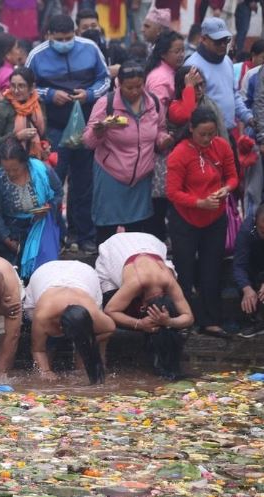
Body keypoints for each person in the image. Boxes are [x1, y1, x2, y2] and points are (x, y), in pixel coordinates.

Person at [27, 14, 110, 254]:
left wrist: (90, 94)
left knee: (84, 183)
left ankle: (84, 235)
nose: (65, 42)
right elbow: (26, 86)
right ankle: (58, 236)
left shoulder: (90, 48)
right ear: (49, 36)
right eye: (60, 39)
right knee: (53, 183)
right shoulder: (37, 55)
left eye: (69, 37)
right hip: (54, 127)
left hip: (87, 125)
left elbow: (104, 80)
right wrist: (51, 95)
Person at [82, 61, 172, 245]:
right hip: (111, 175)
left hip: (141, 179)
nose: (134, 91)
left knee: (137, 233)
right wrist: (101, 129)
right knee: (106, 230)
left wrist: (163, 139)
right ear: (119, 84)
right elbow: (88, 142)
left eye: (139, 86)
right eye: (129, 87)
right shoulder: (106, 104)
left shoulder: (153, 103)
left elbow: (160, 129)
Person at [167, 107, 237, 338]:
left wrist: (226, 189)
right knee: (185, 271)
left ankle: (211, 320)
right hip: (185, 219)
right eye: (202, 134)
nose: (207, 139)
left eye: (211, 134)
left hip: (215, 217)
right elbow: (173, 192)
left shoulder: (222, 146)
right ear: (191, 130)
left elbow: (233, 175)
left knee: (212, 269)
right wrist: (199, 203)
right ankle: (185, 320)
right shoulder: (179, 153)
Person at [96, 232, 193, 378]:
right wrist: (139, 323)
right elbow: (110, 310)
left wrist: (169, 321)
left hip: (151, 246)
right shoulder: (136, 282)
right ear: (142, 306)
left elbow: (189, 317)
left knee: (168, 325)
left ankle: (164, 358)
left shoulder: (168, 280)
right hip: (118, 247)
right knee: (109, 299)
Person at [24, 260, 116, 384]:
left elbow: (110, 329)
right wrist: (45, 371)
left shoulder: (92, 313)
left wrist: (87, 343)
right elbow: (38, 350)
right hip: (46, 274)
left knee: (83, 360)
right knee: (43, 370)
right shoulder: (42, 315)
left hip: (83, 275)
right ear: (60, 325)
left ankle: (84, 358)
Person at [0, 139, 63, 277]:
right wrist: (7, 240)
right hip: (13, 232)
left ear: (25, 163)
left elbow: (58, 193)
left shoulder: (42, 170)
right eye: (6, 170)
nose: (10, 173)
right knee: (13, 277)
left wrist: (49, 207)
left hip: (40, 227)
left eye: (15, 169)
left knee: (43, 273)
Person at [145, 31, 187, 242]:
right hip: (163, 143)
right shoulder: (161, 78)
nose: (181, 55)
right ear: (163, 54)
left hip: (168, 141)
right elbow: (158, 115)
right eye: (176, 51)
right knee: (161, 197)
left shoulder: (171, 72)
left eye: (183, 50)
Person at [186, 18, 254, 138]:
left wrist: (248, 117)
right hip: (207, 137)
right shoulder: (192, 66)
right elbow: (190, 106)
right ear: (203, 39)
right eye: (218, 41)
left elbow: (233, 94)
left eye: (226, 40)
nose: (223, 45)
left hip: (228, 132)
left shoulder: (227, 61)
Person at [0, 67, 46, 158]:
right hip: (10, 166)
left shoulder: (38, 105)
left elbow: (43, 135)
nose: (16, 90)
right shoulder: (2, 109)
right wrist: (16, 137)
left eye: (21, 86)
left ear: (32, 88)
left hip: (36, 161)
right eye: (13, 86)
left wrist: (45, 146)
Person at [169, 66, 226, 139]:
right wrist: (189, 86)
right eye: (195, 86)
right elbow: (187, 115)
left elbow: (221, 131)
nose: (200, 89)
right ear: (182, 87)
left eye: (201, 84)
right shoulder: (174, 106)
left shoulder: (209, 103)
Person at [234, 204, 264, 338]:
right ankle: (255, 320)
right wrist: (246, 288)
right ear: (255, 223)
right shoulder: (247, 230)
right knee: (244, 282)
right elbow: (239, 265)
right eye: (263, 231)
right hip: (254, 264)